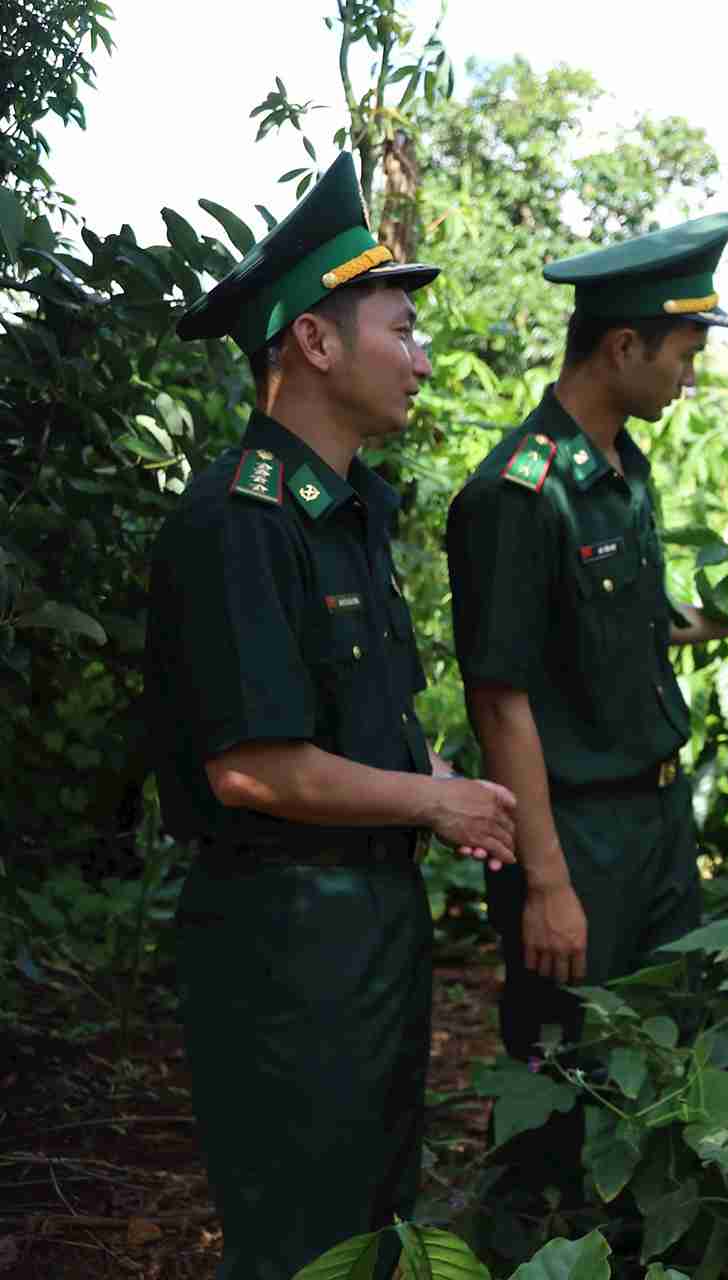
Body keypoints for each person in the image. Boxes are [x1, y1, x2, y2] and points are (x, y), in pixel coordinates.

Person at [148, 152, 519, 1280]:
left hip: (367, 927)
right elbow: (252, 769)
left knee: (367, 1224)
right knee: (301, 1236)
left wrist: (423, 776)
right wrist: (437, 798)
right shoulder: (238, 519)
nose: (420, 354)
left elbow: (339, 726)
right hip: (286, 943)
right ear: (314, 340)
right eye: (400, 328)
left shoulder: (346, 510)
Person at [444, 213, 728, 1146]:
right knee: (563, 1082)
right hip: (574, 830)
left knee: (656, 1069)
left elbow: (633, 630)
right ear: (622, 346)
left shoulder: (622, 468)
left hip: (653, 822)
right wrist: (546, 883)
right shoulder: (517, 495)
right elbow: (501, 698)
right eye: (685, 356)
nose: (690, 379)